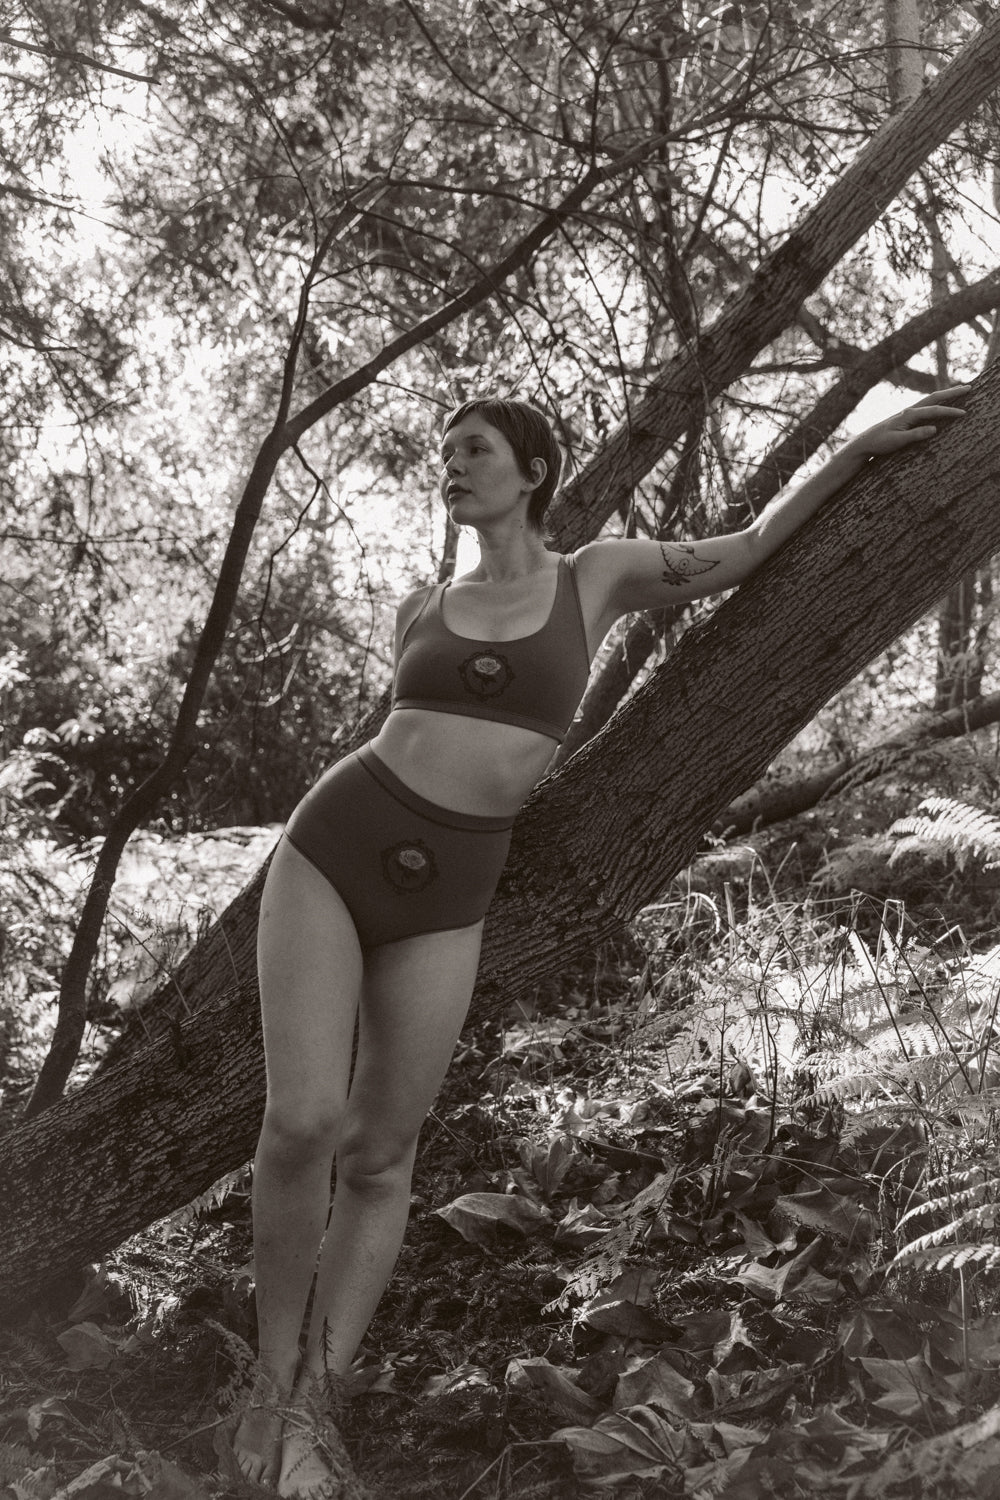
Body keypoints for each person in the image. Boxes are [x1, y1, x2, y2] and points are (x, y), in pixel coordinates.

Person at [233, 385, 966, 1495]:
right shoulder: (421, 607)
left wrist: (858, 449)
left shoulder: (595, 576)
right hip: (333, 850)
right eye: (444, 452)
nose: (451, 464)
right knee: (300, 1123)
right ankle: (266, 1380)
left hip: (450, 893)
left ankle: (314, 1410)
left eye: (474, 447)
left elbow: (748, 549)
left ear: (533, 470)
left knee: (379, 1154)